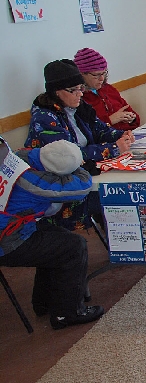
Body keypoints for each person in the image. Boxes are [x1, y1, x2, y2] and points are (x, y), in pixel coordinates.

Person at [24, 59, 146, 246]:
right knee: (134, 188)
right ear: (57, 92)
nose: (80, 93)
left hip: (87, 175)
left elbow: (101, 130)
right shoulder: (44, 119)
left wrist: (124, 135)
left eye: (81, 88)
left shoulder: (78, 108)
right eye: (74, 90)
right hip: (63, 192)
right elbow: (70, 157)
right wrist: (114, 148)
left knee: (143, 176)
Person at [0, 139, 105, 330]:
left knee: (56, 240)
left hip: (12, 230)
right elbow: (81, 187)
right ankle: (67, 313)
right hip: (8, 242)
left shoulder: (17, 156)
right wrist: (81, 169)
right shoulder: (33, 182)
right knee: (73, 247)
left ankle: (44, 302)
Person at [74, 48, 141, 131]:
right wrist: (110, 120)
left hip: (130, 134)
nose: (102, 78)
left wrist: (132, 118)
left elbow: (135, 117)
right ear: (82, 75)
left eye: (104, 73)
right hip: (110, 141)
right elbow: (87, 132)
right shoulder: (78, 99)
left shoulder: (108, 89)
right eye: (96, 75)